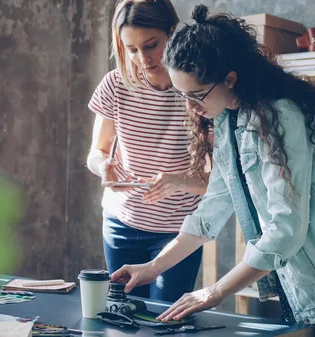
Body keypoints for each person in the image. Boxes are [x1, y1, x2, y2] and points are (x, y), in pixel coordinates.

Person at [111, 4, 315, 336]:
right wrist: (153, 268)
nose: (192, 108)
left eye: (197, 95)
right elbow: (211, 208)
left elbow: (286, 228)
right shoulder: (229, 116)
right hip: (307, 285)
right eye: (183, 95)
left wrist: (214, 291)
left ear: (230, 78)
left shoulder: (278, 116)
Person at [86, 0, 209, 301]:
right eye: (132, 49)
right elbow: (96, 153)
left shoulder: (199, 87)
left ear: (172, 32)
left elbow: (218, 180)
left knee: (164, 321)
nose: (143, 58)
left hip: (177, 232)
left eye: (151, 45)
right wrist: (103, 166)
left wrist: (177, 180)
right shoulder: (115, 85)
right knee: (123, 316)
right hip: (120, 225)